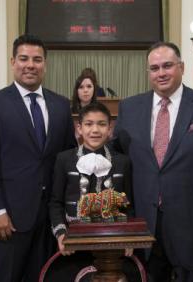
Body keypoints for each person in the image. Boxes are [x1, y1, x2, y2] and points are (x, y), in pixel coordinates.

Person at [113, 42, 193, 281]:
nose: (161, 73)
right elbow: (119, 162)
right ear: (148, 73)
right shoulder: (129, 108)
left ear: (182, 67)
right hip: (145, 225)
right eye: (154, 68)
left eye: (167, 65)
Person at [0, 34, 76, 281]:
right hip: (10, 216)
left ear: (45, 64)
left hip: (51, 217)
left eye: (37, 59)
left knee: (47, 276)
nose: (30, 65)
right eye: (24, 58)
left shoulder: (61, 105)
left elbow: (67, 159)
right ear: (12, 62)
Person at [47, 102, 133, 280]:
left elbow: (129, 204)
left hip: (112, 241)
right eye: (88, 124)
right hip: (74, 241)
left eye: (101, 124)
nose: (95, 130)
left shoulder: (122, 162)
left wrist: (129, 237)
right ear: (79, 128)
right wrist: (61, 233)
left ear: (110, 128)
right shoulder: (64, 159)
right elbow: (56, 202)